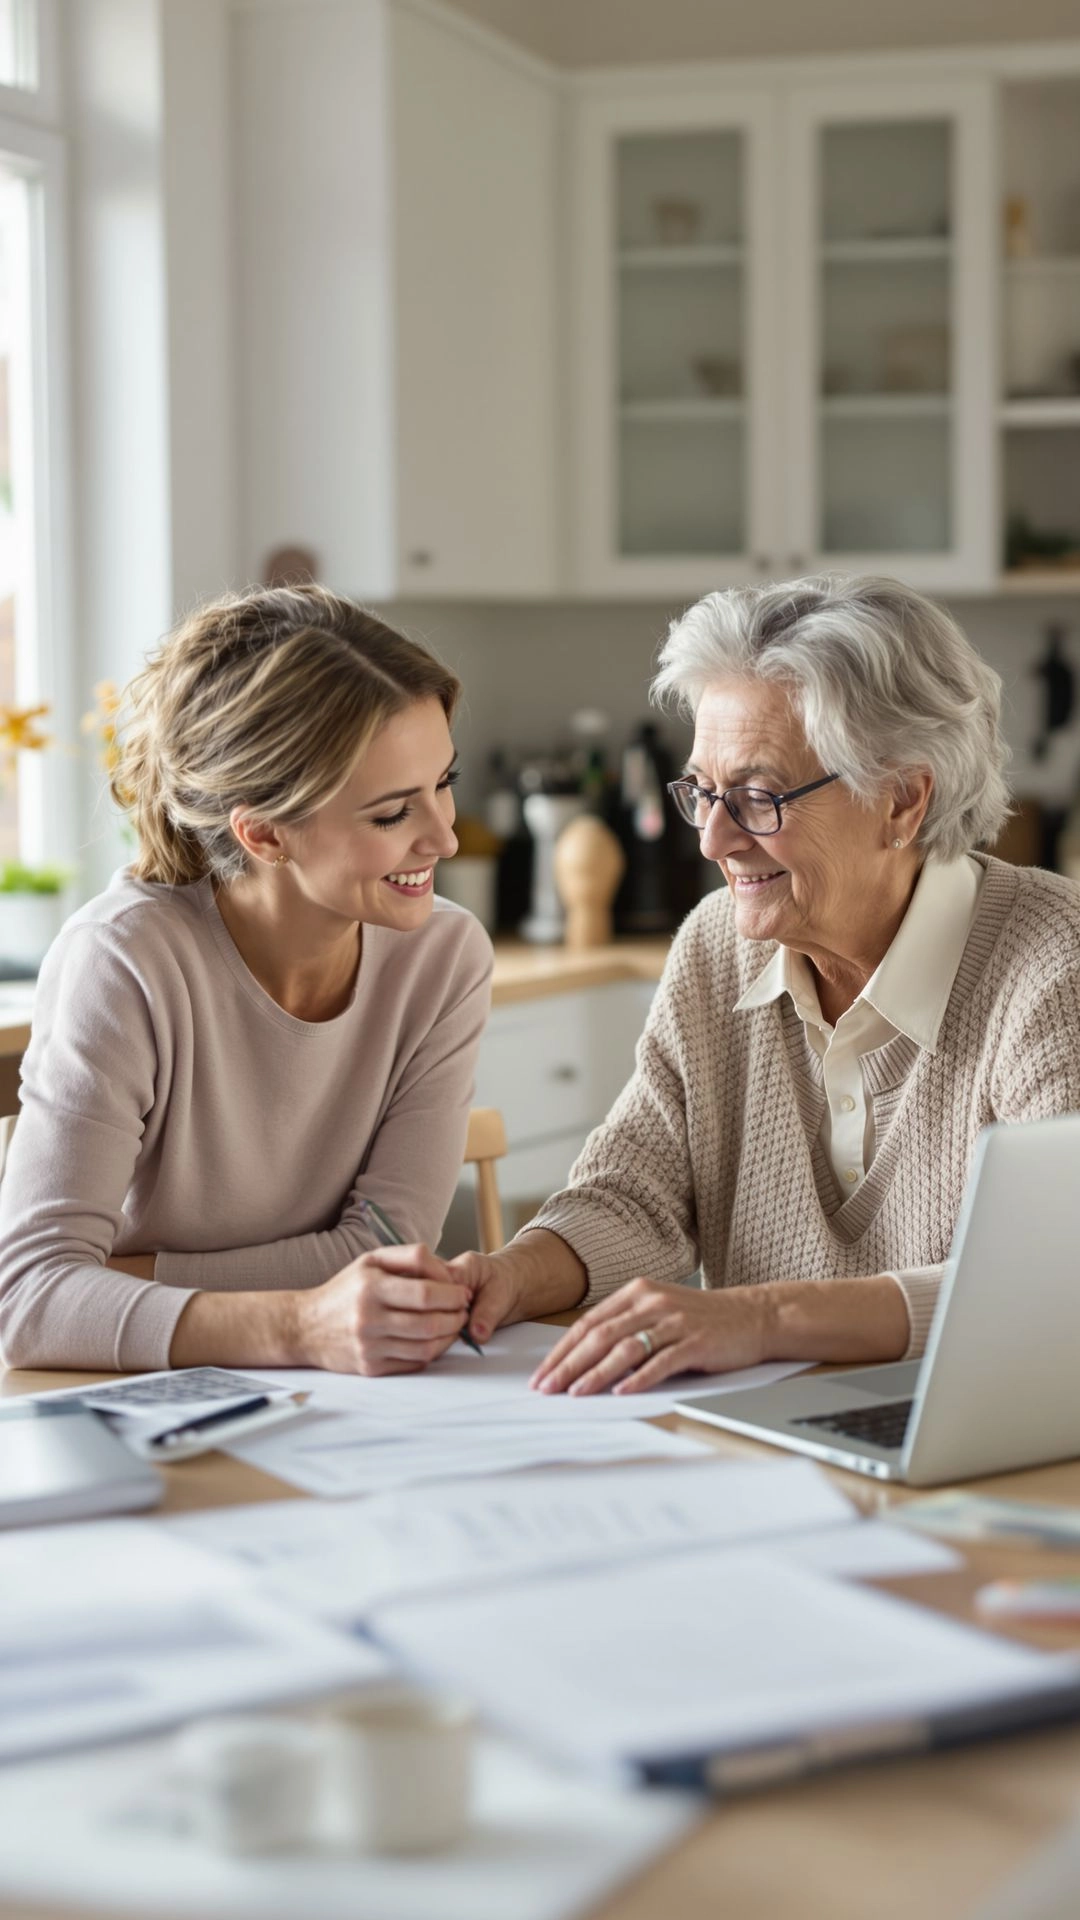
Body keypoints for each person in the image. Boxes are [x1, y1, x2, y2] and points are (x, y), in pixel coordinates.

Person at [449, 574, 1080, 1395]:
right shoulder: (718, 947)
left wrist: (763, 1319)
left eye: (754, 797)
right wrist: (509, 1275)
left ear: (900, 799)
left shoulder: (1052, 964)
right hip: (767, 1447)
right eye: (703, 792)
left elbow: (1054, 1283)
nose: (713, 840)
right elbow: (636, 1196)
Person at [0, 585, 492, 1375]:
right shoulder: (125, 962)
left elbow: (387, 1247)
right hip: (135, 1403)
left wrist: (125, 1286)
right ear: (263, 833)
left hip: (328, 1405)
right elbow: (30, 1303)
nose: (447, 835)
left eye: (444, 782)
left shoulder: (444, 957)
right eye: (394, 813)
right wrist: (298, 1324)